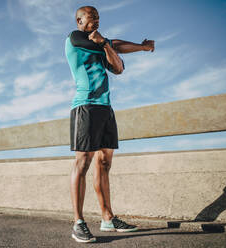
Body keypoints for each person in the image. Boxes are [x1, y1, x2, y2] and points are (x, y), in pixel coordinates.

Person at [65, 6, 155, 243]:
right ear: (79, 21)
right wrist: (121, 45)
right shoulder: (74, 38)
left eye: (98, 17)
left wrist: (139, 47)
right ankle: (78, 222)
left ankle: (107, 218)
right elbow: (111, 44)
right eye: (90, 17)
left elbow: (119, 68)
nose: (95, 20)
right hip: (85, 106)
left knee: (104, 163)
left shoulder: (101, 45)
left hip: (105, 109)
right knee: (82, 162)